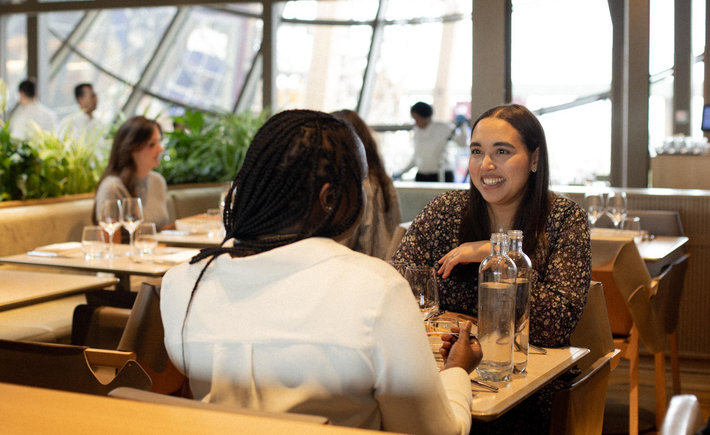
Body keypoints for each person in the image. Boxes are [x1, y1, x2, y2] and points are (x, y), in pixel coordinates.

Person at [160, 109, 481, 434]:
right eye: (360, 183)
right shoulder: (376, 290)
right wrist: (456, 371)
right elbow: (432, 432)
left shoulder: (181, 284)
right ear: (330, 198)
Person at [391, 103, 591, 434]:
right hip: (438, 372)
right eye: (476, 151)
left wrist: (500, 255)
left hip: (526, 388)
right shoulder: (447, 210)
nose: (486, 165)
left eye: (502, 151)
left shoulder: (564, 220)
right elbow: (397, 282)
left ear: (535, 159)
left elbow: (556, 324)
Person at [332, 109, 402, 260]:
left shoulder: (354, 185)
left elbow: (339, 248)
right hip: (387, 266)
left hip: (359, 271)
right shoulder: (384, 181)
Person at [94, 116, 170, 231]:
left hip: (158, 248)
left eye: (159, 142)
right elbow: (110, 241)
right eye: (152, 144)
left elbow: (159, 231)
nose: (161, 149)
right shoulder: (113, 187)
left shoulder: (158, 181)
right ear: (132, 149)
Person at [397, 102, 466, 182]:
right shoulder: (417, 132)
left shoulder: (444, 128)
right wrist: (401, 172)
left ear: (426, 117)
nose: (415, 123)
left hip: (442, 176)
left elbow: (462, 143)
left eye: (417, 119)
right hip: (422, 176)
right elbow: (416, 158)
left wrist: (463, 126)